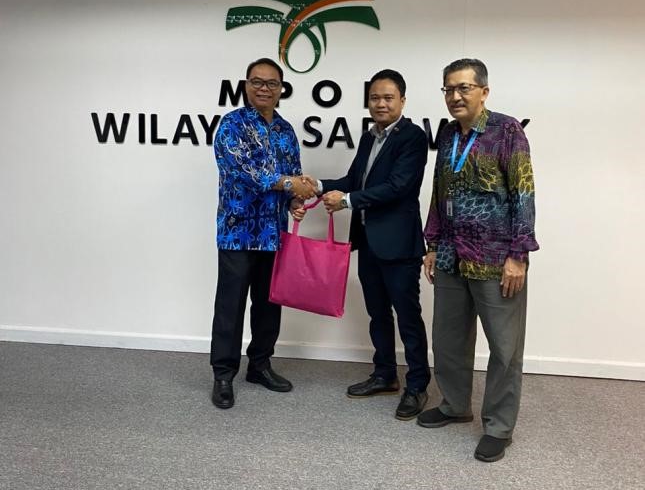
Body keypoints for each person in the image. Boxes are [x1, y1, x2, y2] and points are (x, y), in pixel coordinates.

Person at [419, 58, 539, 462]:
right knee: (448, 340)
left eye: (464, 88)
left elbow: (524, 194)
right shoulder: (448, 135)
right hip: (451, 256)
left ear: (483, 92)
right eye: (449, 89)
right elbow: (439, 192)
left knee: (504, 348)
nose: (455, 96)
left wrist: (519, 255)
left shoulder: (507, 131)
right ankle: (455, 405)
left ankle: (499, 426)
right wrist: (432, 243)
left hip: (495, 259)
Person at [320, 69, 430, 420]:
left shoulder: (412, 138)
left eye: (388, 97)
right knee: (377, 313)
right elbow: (354, 180)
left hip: (399, 245)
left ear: (402, 100)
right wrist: (318, 185)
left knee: (408, 317)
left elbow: (398, 187)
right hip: (368, 242)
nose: (381, 104)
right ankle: (385, 374)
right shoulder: (370, 138)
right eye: (374, 98)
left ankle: (417, 384)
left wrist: (347, 201)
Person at [210, 57, 315, 410]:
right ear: (246, 85)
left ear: (281, 88)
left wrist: (294, 201)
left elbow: (293, 177)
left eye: (271, 83)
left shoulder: (285, 131)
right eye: (257, 81)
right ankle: (223, 374)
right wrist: (288, 184)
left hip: (273, 233)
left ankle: (260, 365)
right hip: (238, 233)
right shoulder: (231, 125)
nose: (264, 88)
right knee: (230, 305)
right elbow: (246, 173)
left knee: (269, 304)